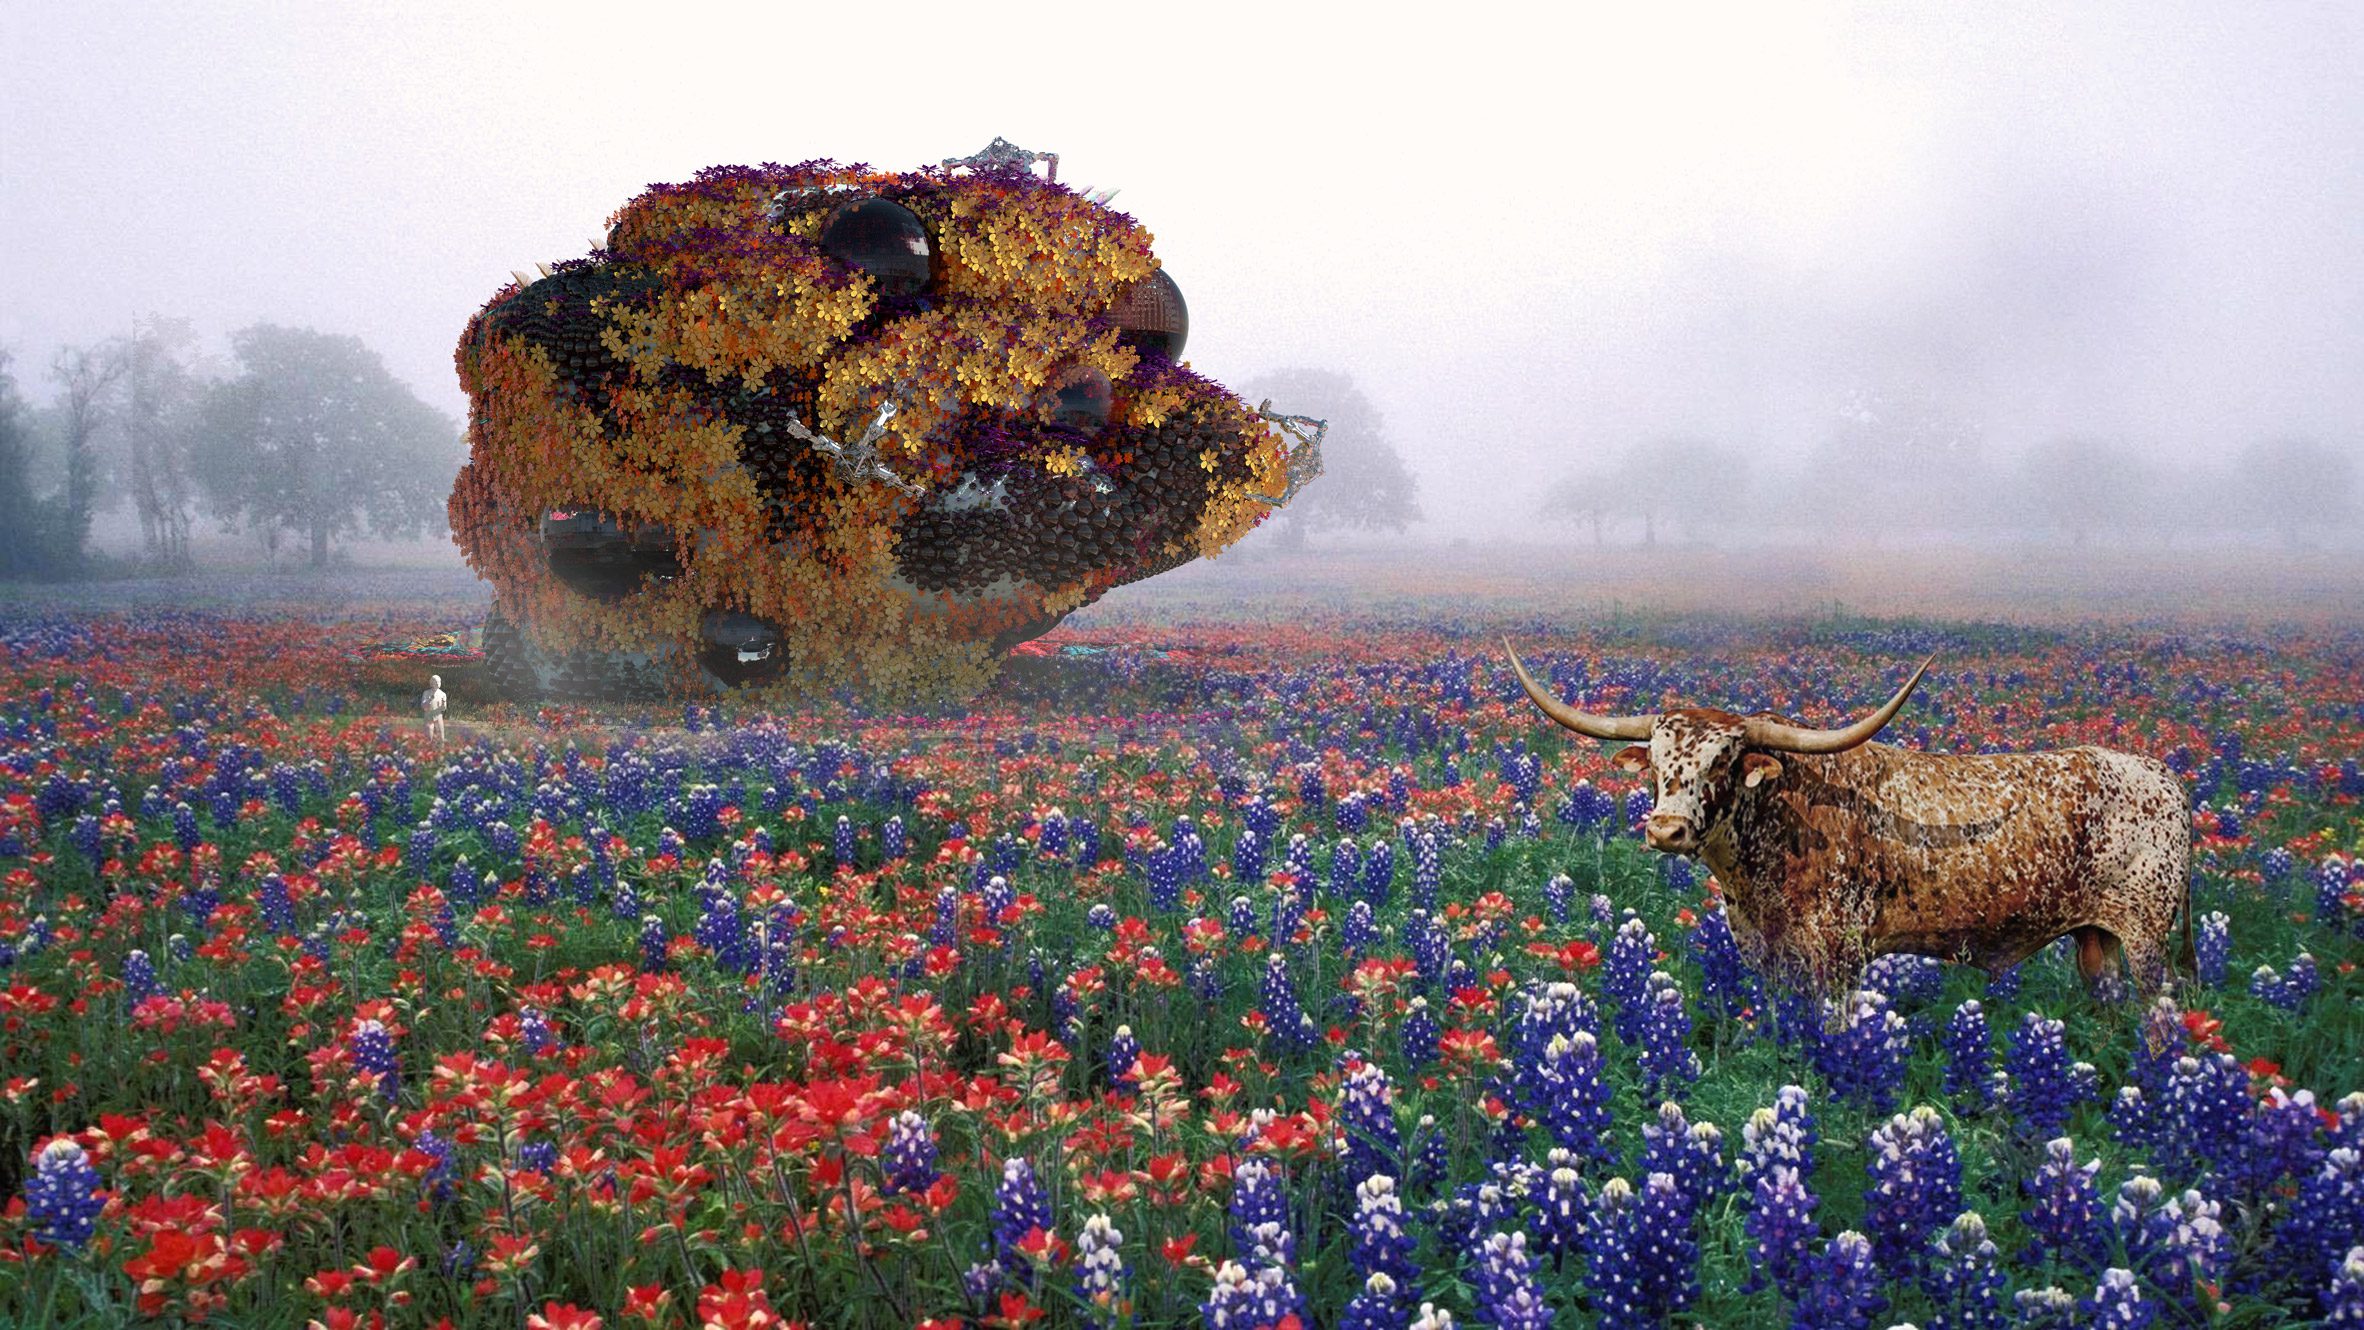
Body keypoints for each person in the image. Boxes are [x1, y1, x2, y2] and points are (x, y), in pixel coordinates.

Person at [422, 674, 449, 743]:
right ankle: (428, 750)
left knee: (441, 737)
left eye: (437, 682)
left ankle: (441, 750)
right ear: (431, 682)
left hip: (438, 716)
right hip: (429, 715)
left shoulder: (442, 694)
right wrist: (430, 699)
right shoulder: (426, 693)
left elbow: (443, 708)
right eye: (434, 681)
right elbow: (423, 706)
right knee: (428, 737)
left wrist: (443, 704)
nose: (436, 683)